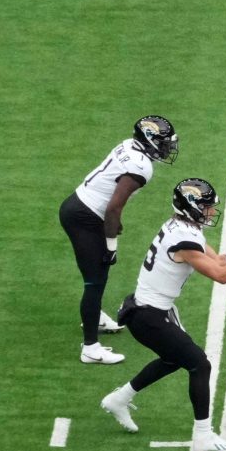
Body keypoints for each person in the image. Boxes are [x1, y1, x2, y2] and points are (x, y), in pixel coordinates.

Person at [96, 178, 226, 451]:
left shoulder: (183, 228)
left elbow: (217, 260)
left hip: (152, 310)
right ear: (192, 207)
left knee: (174, 359)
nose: (210, 212)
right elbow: (221, 275)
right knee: (199, 364)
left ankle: (119, 399)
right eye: (206, 207)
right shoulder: (183, 239)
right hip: (149, 317)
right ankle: (203, 435)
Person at [57, 116, 178, 364]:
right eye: (164, 143)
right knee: (95, 280)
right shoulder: (142, 166)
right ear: (150, 141)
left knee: (96, 275)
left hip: (80, 206)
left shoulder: (129, 146)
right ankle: (90, 348)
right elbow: (113, 207)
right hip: (85, 217)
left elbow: (110, 195)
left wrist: (111, 223)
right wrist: (111, 245)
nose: (168, 148)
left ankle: (94, 316)